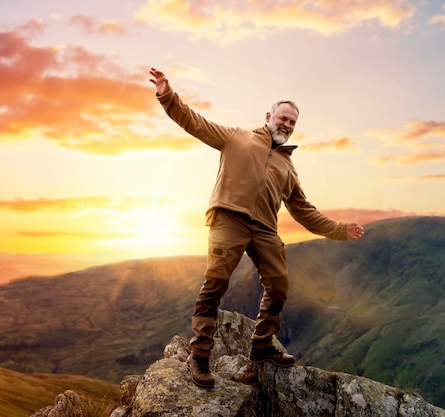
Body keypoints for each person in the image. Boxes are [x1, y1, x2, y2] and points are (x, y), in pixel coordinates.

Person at [149, 67, 365, 389]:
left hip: (264, 229)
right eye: (283, 118)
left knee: (278, 286)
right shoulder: (236, 138)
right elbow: (194, 122)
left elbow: (304, 211)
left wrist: (338, 229)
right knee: (214, 287)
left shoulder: (288, 168)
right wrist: (167, 95)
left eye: (292, 122)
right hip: (229, 220)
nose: (287, 125)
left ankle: (262, 345)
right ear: (269, 115)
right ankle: (200, 357)